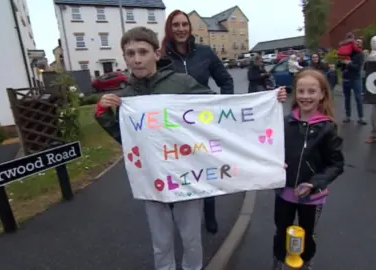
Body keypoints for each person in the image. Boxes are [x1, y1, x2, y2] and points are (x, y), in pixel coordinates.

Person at [95, 27, 288, 270]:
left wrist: (267, 101)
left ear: (156, 53)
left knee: (191, 238)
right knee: (160, 241)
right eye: (130, 53)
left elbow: (218, 113)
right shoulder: (127, 97)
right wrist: (104, 114)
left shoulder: (182, 83)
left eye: (142, 52)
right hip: (152, 176)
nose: (137, 59)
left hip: (187, 173)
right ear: (124, 57)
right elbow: (127, 139)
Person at [160, 10, 234, 234]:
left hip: (203, 124)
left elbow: (226, 81)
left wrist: (223, 109)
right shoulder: (162, 57)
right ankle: (177, 209)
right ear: (169, 29)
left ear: (190, 28)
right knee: (176, 168)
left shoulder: (205, 52)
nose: (181, 29)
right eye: (176, 25)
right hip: (172, 125)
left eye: (185, 24)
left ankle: (209, 212)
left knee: (206, 167)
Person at [272, 69, 345, 270]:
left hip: (313, 196)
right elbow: (271, 148)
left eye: (311, 91)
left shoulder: (327, 128)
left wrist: (313, 183)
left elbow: (336, 164)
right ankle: (278, 261)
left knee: (307, 232)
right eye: (301, 91)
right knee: (281, 231)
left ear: (322, 94)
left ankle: (305, 263)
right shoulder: (285, 122)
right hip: (284, 192)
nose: (305, 96)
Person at [337, 38, 367, 124]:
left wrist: (349, 63)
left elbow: (357, 68)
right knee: (347, 98)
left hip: (355, 79)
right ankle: (347, 116)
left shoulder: (360, 54)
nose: (357, 43)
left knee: (358, 98)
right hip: (346, 78)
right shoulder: (346, 53)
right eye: (356, 42)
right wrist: (340, 62)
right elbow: (339, 66)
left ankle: (361, 117)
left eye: (359, 42)